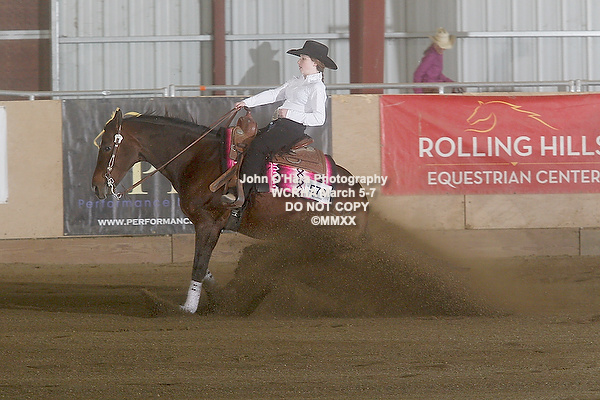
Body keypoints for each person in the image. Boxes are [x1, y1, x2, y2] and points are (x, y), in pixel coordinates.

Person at [222, 40, 337, 212]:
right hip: (279, 125)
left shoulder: (317, 87)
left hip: (292, 129)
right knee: (246, 141)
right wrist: (247, 102)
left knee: (259, 146)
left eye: (303, 58)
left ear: (315, 62)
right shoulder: (297, 81)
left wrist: (288, 113)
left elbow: (319, 118)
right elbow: (274, 94)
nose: (299, 62)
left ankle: (242, 194)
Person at [413, 28, 462, 93]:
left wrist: (450, 82)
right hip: (430, 88)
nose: (443, 49)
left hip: (434, 86)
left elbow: (436, 73)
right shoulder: (431, 56)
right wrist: (419, 93)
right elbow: (418, 73)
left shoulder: (437, 54)